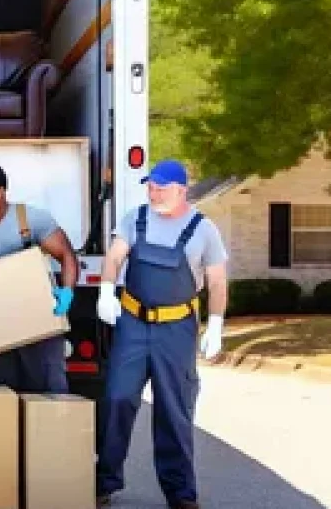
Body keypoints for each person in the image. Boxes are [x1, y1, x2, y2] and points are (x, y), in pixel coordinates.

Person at [94, 159, 228, 509]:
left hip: (176, 329)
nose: (153, 193)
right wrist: (106, 290)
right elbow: (114, 256)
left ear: (181, 190)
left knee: (174, 409)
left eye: (161, 188)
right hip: (133, 324)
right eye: (150, 186)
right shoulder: (135, 218)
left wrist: (215, 324)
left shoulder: (204, 230)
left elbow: (216, 282)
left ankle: (180, 493)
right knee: (117, 399)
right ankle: (104, 482)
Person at [0, 161, 79, 393]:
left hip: (40, 328)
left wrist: (67, 291)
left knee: (48, 396)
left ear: (0, 192)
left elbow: (67, 256)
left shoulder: (31, 220)